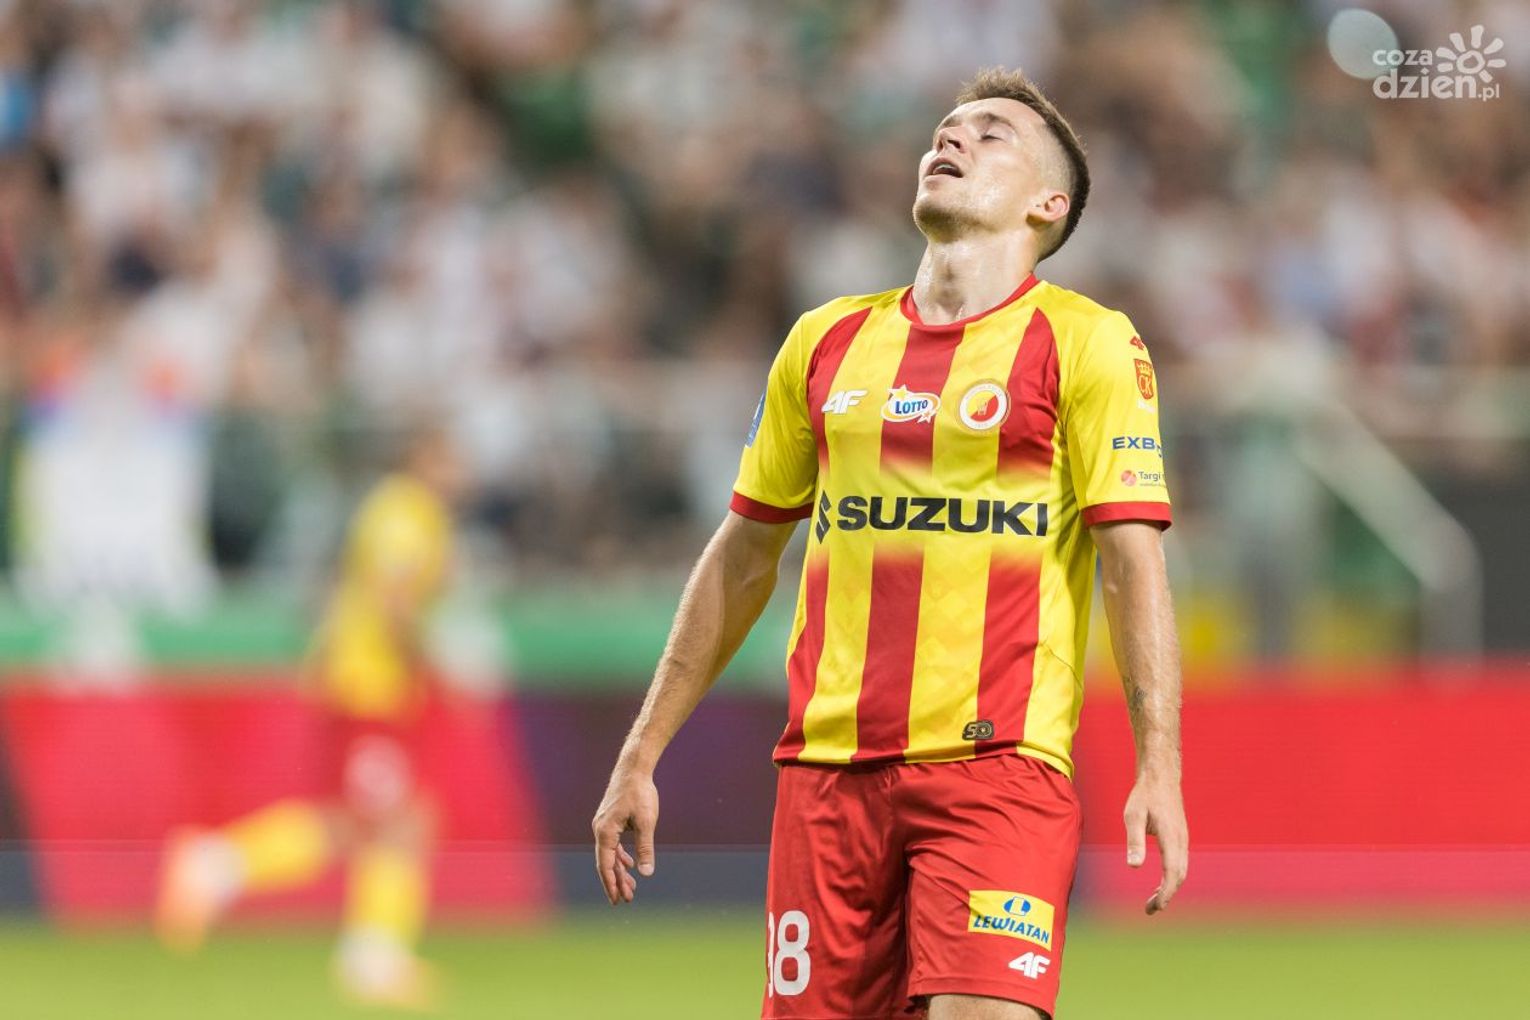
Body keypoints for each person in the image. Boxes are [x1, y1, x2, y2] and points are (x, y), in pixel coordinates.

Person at [592, 67, 1188, 1020]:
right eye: (946, 128)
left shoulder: (1088, 343)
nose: (951, 139)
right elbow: (743, 556)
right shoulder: (825, 341)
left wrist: (1160, 763)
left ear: (1048, 204)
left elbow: (1132, 561)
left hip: (998, 770)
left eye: (990, 133)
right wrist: (641, 749)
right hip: (826, 779)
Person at [157, 424, 464, 1010]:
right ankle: (367, 954)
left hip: (366, 683)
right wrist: (433, 664)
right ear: (422, 457)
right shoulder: (406, 510)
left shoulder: (398, 510)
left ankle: (219, 869)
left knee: (371, 820)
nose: (460, 475)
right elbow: (394, 600)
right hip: (370, 686)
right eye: (450, 460)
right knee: (391, 819)